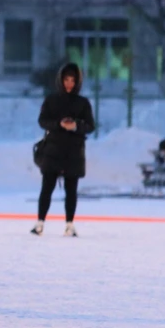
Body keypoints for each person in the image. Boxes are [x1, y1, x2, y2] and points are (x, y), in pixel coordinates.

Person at [33, 62, 95, 238]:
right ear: (60, 80)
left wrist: (76, 126)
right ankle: (40, 223)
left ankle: (69, 224)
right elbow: (42, 121)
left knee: (71, 189)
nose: (69, 83)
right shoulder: (51, 100)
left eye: (72, 80)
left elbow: (91, 125)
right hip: (53, 149)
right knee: (47, 188)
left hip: (73, 152)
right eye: (66, 79)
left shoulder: (83, 103)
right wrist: (58, 125)